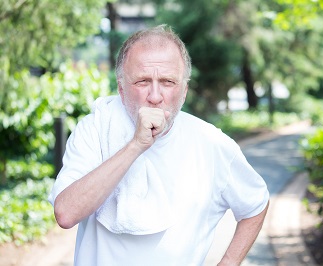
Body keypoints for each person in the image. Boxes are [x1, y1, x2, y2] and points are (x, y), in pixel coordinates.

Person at [48, 24, 269, 266]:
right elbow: (66, 213)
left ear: (184, 91)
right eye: (142, 81)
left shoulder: (212, 143)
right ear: (121, 89)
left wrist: (227, 263)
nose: (155, 96)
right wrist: (136, 145)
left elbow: (255, 204)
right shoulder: (95, 129)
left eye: (167, 82)